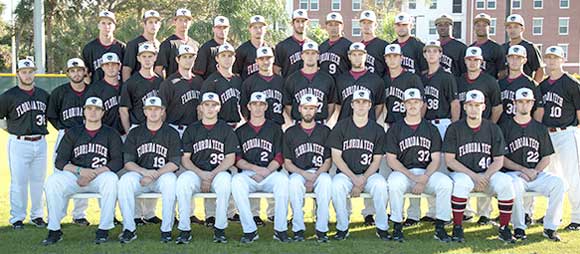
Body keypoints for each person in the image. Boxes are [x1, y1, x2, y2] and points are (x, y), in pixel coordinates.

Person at [42, 97, 122, 245]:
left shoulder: (111, 133)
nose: (93, 112)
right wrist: (79, 170)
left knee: (111, 179)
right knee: (52, 181)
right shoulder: (73, 133)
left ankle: (104, 229)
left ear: (103, 113)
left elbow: (117, 161)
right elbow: (60, 162)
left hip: (99, 176)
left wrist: (93, 173)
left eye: (97, 109)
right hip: (75, 176)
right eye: (89, 108)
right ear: (84, 111)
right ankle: (54, 229)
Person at [444, 90, 515, 243]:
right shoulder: (454, 128)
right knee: (461, 184)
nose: (473, 108)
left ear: (484, 107)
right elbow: (450, 160)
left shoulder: (493, 129)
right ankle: (457, 227)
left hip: (487, 174)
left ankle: (504, 228)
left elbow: (498, 160)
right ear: (464, 107)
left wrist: (485, 176)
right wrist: (475, 176)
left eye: (477, 105)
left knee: (506, 183)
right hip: (463, 173)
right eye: (470, 105)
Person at [386, 88, 453, 242]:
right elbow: (391, 159)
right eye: (409, 102)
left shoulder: (431, 129)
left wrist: (424, 177)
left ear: (422, 104)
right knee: (394, 183)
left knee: (445, 183)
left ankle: (440, 226)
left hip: (425, 173)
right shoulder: (395, 128)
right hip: (403, 173)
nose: (412, 105)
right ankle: (397, 226)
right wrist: (412, 177)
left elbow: (435, 159)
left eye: (416, 102)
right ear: (404, 105)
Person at [500, 87, 565, 241]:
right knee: (514, 186)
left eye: (527, 102)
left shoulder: (540, 128)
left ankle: (550, 228)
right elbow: (501, 158)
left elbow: (546, 158)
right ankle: (519, 228)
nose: (524, 105)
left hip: (536, 174)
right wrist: (523, 169)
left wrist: (535, 171)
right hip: (514, 174)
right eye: (520, 102)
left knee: (558, 183)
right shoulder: (504, 127)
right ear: (514, 103)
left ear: (532, 104)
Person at [175, 92, 239, 244]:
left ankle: (220, 229)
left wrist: (211, 175)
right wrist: (202, 175)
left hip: (218, 172)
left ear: (219, 108)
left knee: (225, 183)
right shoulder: (192, 129)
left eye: (214, 105)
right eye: (207, 105)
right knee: (183, 182)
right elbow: (185, 159)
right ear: (201, 108)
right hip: (196, 173)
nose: (210, 108)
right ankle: (184, 229)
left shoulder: (226, 129)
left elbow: (230, 158)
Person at [118, 97, 180, 243]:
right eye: (149, 109)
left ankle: (166, 229)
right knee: (125, 181)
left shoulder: (171, 132)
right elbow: (128, 162)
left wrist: (155, 174)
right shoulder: (135, 132)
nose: (153, 112)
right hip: (140, 175)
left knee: (171, 181)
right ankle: (129, 228)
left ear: (162, 111)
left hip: (162, 175)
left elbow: (175, 162)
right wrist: (144, 172)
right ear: (145, 111)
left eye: (156, 109)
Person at [329, 90, 389, 241]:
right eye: (357, 102)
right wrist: (353, 178)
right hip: (346, 174)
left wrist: (362, 178)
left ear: (370, 105)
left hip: (368, 174)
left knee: (381, 185)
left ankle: (382, 227)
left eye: (364, 102)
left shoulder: (377, 129)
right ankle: (342, 227)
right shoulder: (341, 126)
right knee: (337, 186)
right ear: (352, 105)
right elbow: (336, 156)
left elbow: (377, 160)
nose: (361, 105)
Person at [231, 92, 290, 243]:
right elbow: (237, 159)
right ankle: (249, 230)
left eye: (261, 104)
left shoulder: (275, 129)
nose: (257, 108)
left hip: (270, 172)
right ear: (249, 107)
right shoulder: (240, 131)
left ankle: (280, 230)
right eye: (254, 104)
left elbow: (279, 156)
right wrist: (256, 170)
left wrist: (266, 171)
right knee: (236, 182)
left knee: (283, 181)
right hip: (249, 174)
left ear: (265, 107)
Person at [0, 58, 49, 229]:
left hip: (41, 142)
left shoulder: (43, 95)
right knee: (19, 181)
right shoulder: (8, 95)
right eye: (24, 72)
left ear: (34, 72)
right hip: (19, 143)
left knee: (38, 181)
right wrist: (13, 130)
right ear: (18, 74)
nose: (27, 75)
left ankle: (37, 215)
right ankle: (17, 218)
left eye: (30, 71)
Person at [538, 46, 580, 231]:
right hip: (549, 134)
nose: (552, 61)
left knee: (573, 176)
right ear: (545, 61)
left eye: (555, 57)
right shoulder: (543, 85)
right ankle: (554, 215)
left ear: (563, 60)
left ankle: (577, 217)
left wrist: (575, 133)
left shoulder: (571, 83)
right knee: (554, 178)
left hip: (567, 132)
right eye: (548, 57)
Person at [46, 58, 91, 226]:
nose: (76, 73)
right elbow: (51, 114)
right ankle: (57, 213)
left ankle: (79, 214)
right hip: (65, 134)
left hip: (86, 135)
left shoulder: (92, 91)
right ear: (67, 73)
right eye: (72, 70)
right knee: (59, 172)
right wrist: (62, 128)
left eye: (79, 70)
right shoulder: (59, 92)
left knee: (84, 171)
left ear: (84, 71)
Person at [284, 94, 333, 242]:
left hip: (319, 172)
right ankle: (298, 229)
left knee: (325, 182)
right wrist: (304, 175)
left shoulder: (325, 131)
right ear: (299, 109)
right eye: (305, 108)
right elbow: (287, 162)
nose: (308, 111)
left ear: (317, 109)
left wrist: (315, 176)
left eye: (312, 108)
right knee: (294, 183)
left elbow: (328, 160)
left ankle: (321, 229)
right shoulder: (290, 132)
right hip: (299, 172)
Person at [284, 41, 337, 123]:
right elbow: (288, 104)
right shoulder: (292, 79)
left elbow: (331, 104)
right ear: (302, 56)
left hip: (320, 123)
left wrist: (325, 121)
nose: (310, 56)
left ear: (318, 56)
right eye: (307, 53)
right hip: (299, 123)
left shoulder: (327, 79)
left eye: (313, 53)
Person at [82, 10, 125, 84]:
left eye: (109, 23)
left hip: (118, 90)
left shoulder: (122, 48)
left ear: (114, 26)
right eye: (103, 23)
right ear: (98, 25)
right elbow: (85, 73)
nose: (106, 26)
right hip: (96, 90)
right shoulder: (89, 48)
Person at [154, 8, 199, 78]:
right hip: (173, 86)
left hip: (191, 86)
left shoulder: (195, 45)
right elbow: (158, 69)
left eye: (186, 20)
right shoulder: (167, 44)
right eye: (180, 20)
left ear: (190, 23)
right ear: (174, 22)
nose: (183, 24)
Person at [502, 14, 544, 83]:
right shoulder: (502, 48)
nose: (512, 30)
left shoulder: (530, 47)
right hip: (506, 88)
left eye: (516, 27)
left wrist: (533, 87)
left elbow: (540, 70)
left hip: (524, 88)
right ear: (506, 29)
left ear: (522, 29)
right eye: (509, 27)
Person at [122, 10, 162, 81]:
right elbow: (126, 70)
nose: (154, 25)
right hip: (137, 87)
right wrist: (127, 89)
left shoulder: (160, 45)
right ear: (144, 24)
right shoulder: (133, 44)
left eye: (156, 22)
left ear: (159, 25)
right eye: (150, 22)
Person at [274, 9, 309, 78]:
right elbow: (276, 70)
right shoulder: (282, 46)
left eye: (303, 21)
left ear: (307, 23)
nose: (301, 25)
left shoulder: (313, 45)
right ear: (292, 23)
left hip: (308, 87)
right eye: (297, 21)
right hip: (288, 87)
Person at [234, 15, 269, 81]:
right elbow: (236, 73)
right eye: (255, 27)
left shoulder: (270, 50)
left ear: (265, 29)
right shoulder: (241, 50)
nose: (258, 30)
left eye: (261, 27)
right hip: (248, 89)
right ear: (249, 29)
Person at [319, 12, 351, 79]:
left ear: (342, 26)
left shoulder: (349, 46)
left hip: (341, 84)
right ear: (326, 27)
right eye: (330, 25)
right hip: (324, 85)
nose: (333, 28)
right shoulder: (321, 47)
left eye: (336, 25)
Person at [358, 10, 388, 77]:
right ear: (360, 25)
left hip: (379, 84)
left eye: (369, 23)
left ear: (375, 25)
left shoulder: (384, 46)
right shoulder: (358, 47)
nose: (366, 25)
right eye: (364, 23)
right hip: (361, 85)